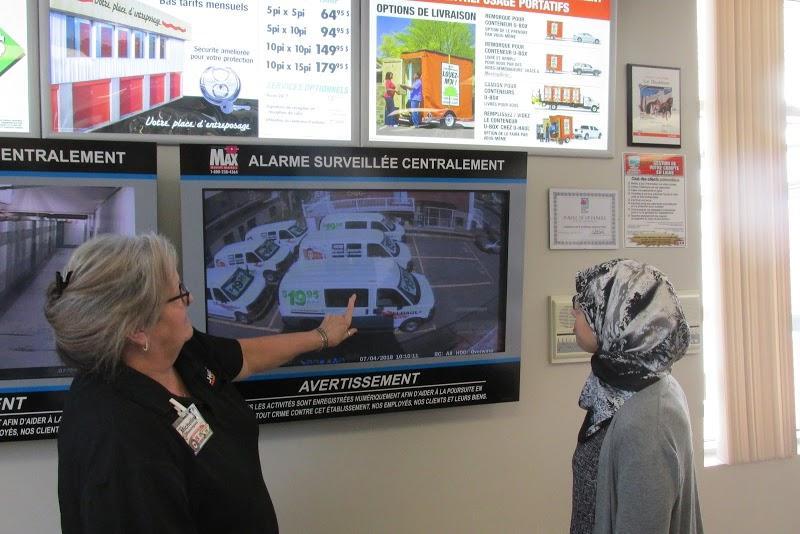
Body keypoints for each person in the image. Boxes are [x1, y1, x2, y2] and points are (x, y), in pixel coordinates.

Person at [45, 233, 357, 533]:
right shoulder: (120, 443)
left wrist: (322, 337)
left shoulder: (180, 352)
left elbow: (245, 356)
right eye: (178, 293)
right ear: (138, 328)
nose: (190, 297)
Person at [569, 259, 703, 534]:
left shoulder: (648, 421)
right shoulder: (619, 390)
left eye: (584, 304)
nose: (574, 311)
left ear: (616, 318)